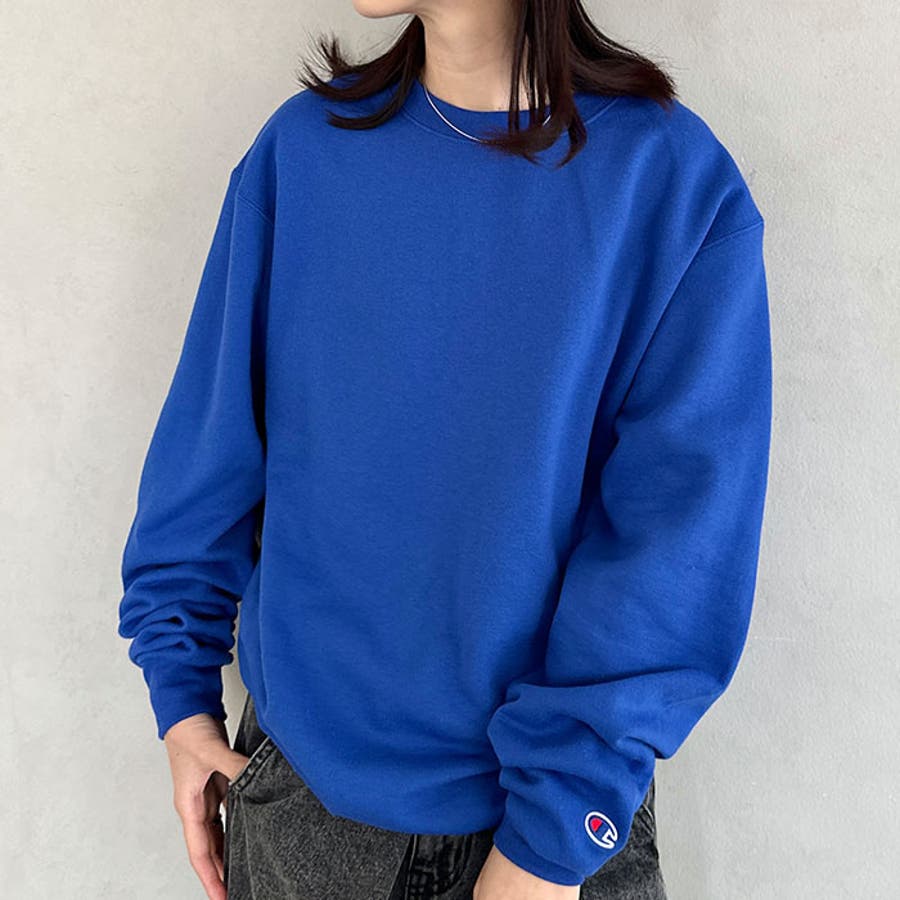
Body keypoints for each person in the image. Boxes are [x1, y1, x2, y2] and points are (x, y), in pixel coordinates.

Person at [117, 2, 772, 898]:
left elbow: (677, 549)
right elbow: (209, 446)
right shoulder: (304, 153)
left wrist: (549, 841)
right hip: (305, 814)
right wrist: (180, 693)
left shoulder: (670, 183)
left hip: (552, 839)